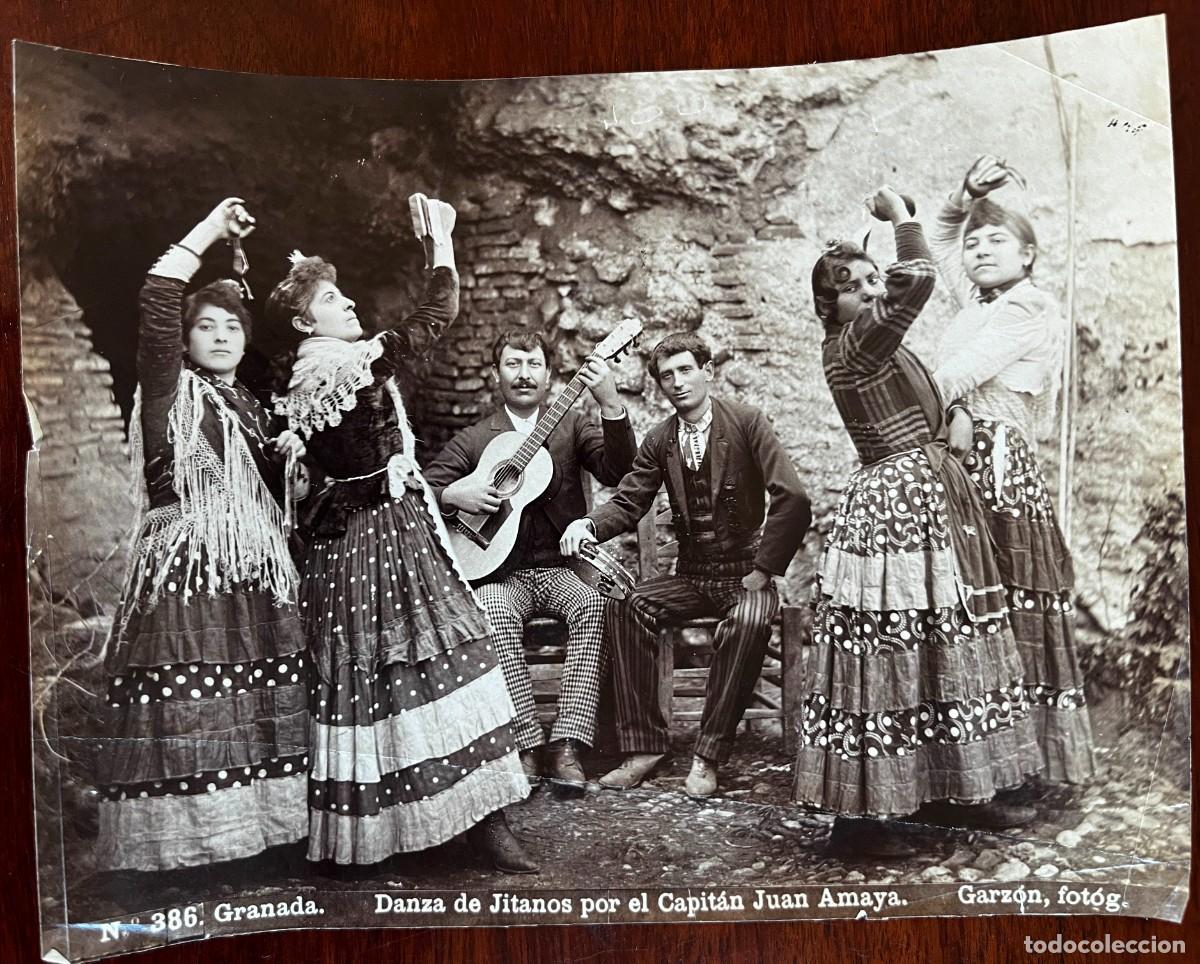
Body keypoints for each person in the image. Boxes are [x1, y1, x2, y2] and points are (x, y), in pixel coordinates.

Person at [268, 197, 535, 873]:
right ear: (305, 322)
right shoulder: (338, 366)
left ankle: (442, 821)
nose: (349, 302)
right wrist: (441, 243)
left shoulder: (309, 374)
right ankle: (469, 824)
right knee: (435, 657)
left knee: (387, 674)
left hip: (358, 542)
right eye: (332, 298)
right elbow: (434, 320)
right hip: (379, 538)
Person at [791, 185, 1043, 858]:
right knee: (891, 653)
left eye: (875, 281)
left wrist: (949, 417)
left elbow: (921, 388)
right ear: (830, 305)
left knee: (942, 644)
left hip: (923, 500)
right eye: (855, 286)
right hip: (896, 514)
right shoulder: (853, 345)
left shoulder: (868, 345)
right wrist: (901, 219)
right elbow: (921, 278)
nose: (873, 293)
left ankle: (962, 790)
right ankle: (862, 821)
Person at [96, 198, 309, 872]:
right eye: (206, 328)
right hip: (187, 575)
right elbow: (160, 292)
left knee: (257, 700)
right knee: (189, 706)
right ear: (184, 341)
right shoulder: (169, 391)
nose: (220, 337)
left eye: (231, 328)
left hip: (257, 574)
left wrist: (293, 475)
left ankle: (257, 841)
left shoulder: (249, 405)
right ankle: (185, 856)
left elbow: (276, 495)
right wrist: (213, 230)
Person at [560, 332, 811, 798]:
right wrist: (590, 526)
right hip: (692, 576)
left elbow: (792, 498)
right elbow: (630, 500)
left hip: (745, 574)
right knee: (625, 605)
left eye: (685, 370)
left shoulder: (747, 422)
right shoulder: (660, 439)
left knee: (749, 620)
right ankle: (644, 748)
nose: (677, 382)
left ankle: (707, 755)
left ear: (707, 371)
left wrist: (763, 569)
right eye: (666, 376)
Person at [930, 155, 1095, 783]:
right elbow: (945, 238)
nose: (978, 250)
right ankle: (974, 762)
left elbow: (957, 375)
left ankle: (1021, 765)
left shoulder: (1027, 308)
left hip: (998, 467)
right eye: (974, 244)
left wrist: (893, 400)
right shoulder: (977, 300)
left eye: (997, 240)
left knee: (1006, 608)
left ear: (1029, 255)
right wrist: (967, 193)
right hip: (960, 459)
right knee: (967, 610)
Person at [423, 329, 637, 790]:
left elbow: (619, 471)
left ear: (549, 374)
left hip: (562, 570)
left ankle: (567, 745)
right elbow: (422, 492)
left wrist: (611, 405)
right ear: (494, 374)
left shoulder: (572, 425)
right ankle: (524, 744)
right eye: (513, 363)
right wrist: (452, 492)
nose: (524, 374)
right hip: (500, 571)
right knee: (492, 612)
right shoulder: (476, 438)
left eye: (534, 364)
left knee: (593, 605)